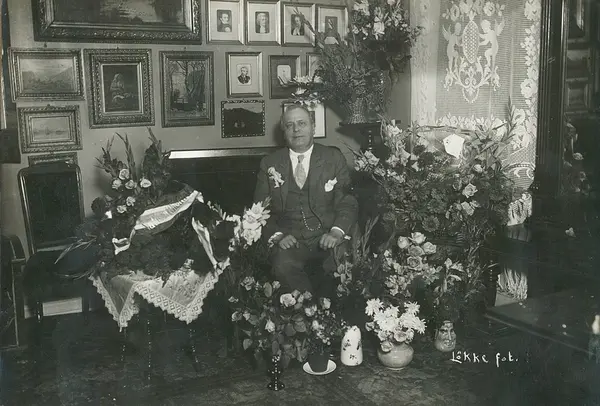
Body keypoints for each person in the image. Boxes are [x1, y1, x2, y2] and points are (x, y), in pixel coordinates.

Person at [254, 105, 358, 294]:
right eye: (290, 125)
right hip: (290, 240)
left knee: (342, 262)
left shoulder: (333, 158)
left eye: (302, 123)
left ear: (313, 127)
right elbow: (259, 210)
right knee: (282, 265)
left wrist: (336, 232)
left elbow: (347, 202)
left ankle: (331, 308)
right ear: (284, 132)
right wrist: (278, 236)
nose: (296, 129)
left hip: (327, 235)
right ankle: (305, 308)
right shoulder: (270, 163)